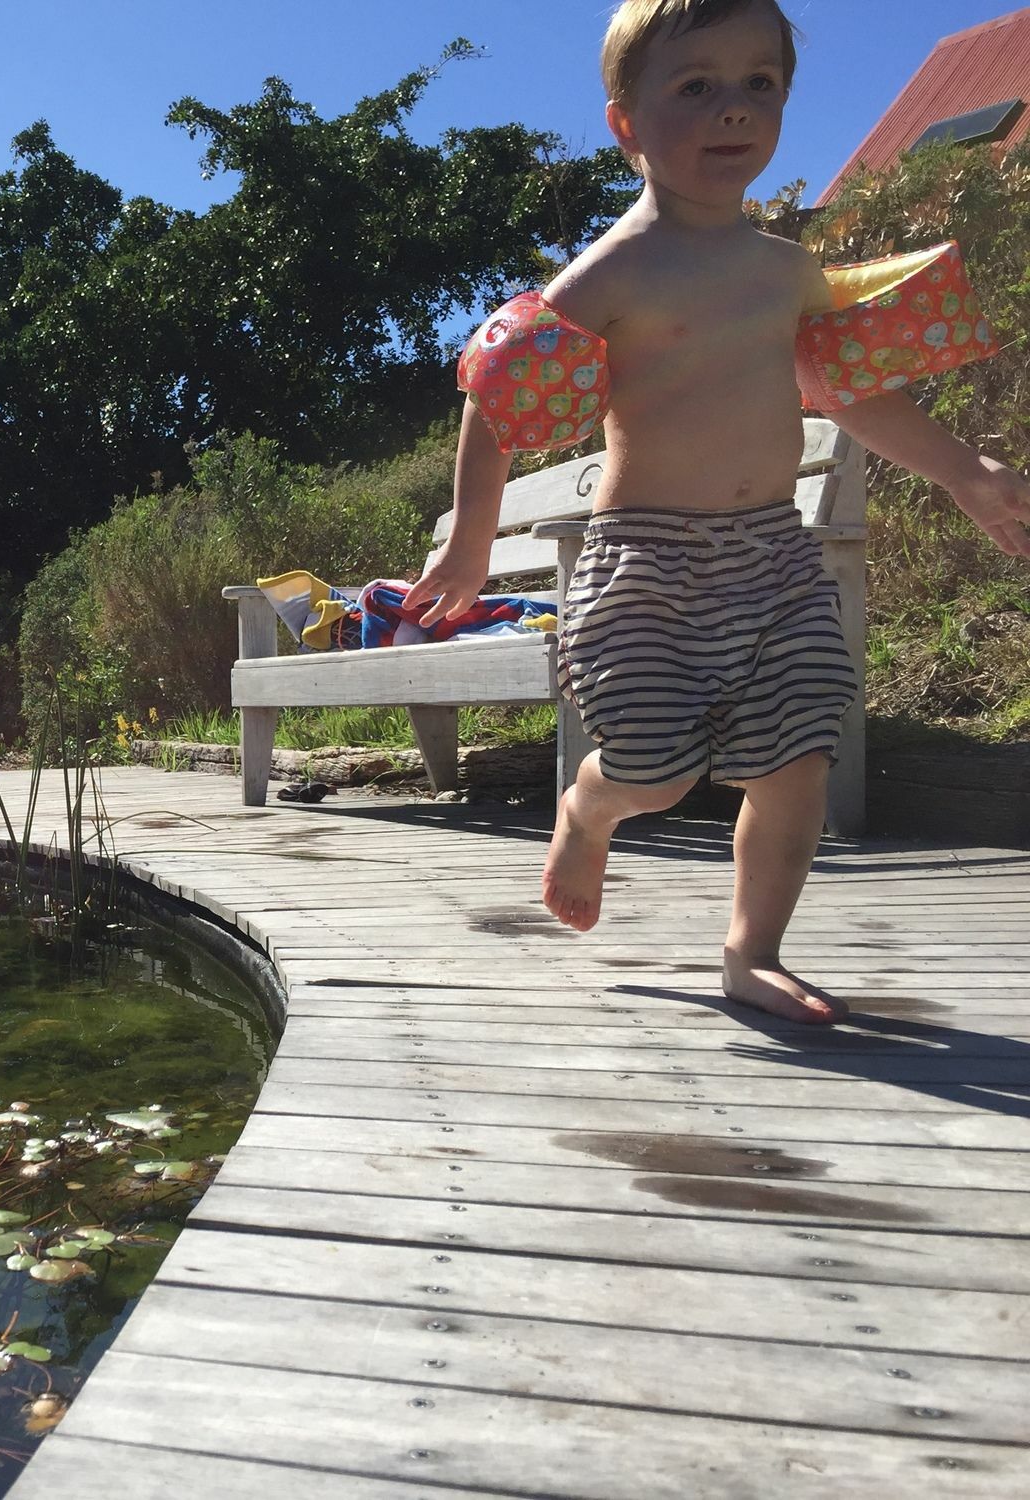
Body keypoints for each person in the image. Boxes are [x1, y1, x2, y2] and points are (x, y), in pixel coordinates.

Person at [409, 0, 1030, 1024]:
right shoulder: (611, 273)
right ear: (625, 123)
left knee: (796, 761)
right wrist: (472, 541)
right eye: (694, 86)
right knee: (653, 770)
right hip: (642, 562)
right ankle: (590, 805)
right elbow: (499, 392)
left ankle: (751, 953)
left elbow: (846, 393)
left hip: (770, 556)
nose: (731, 110)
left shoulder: (786, 271)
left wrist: (962, 469)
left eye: (757, 84)